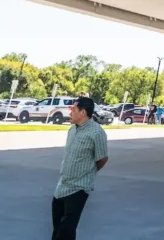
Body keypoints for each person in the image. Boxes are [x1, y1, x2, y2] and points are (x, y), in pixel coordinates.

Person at [52, 96, 108, 240]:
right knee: (58, 228)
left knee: (65, 231)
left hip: (79, 188)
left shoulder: (97, 133)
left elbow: (102, 158)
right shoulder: (72, 130)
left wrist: (88, 172)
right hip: (62, 186)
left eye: (73, 109)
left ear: (82, 112)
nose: (70, 112)